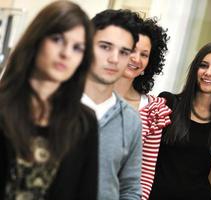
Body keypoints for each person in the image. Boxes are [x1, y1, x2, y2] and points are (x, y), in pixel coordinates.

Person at [0, 1, 98, 200]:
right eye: (57, 39)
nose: (66, 54)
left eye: (77, 48)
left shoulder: (84, 122)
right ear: (37, 40)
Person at [149, 42, 211, 200]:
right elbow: (143, 158)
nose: (208, 73)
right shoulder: (168, 102)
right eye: (203, 65)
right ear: (195, 69)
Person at [82, 9, 142, 200]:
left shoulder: (131, 121)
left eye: (124, 52)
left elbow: (130, 188)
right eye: (105, 47)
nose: (114, 59)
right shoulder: (54, 104)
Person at [114, 17, 171, 200]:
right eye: (132, 50)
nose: (136, 59)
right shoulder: (89, 95)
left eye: (144, 54)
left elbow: (145, 175)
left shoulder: (154, 109)